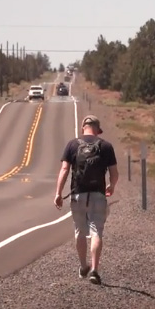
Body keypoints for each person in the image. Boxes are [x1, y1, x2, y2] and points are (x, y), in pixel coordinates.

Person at [54, 115, 119, 285]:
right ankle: (95, 270)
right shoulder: (106, 146)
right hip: (98, 194)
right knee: (96, 231)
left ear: (83, 128)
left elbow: (64, 169)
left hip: (78, 194)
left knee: (79, 231)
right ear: (97, 130)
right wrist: (111, 186)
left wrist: (58, 193)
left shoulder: (72, 145)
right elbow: (114, 172)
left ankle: (83, 266)